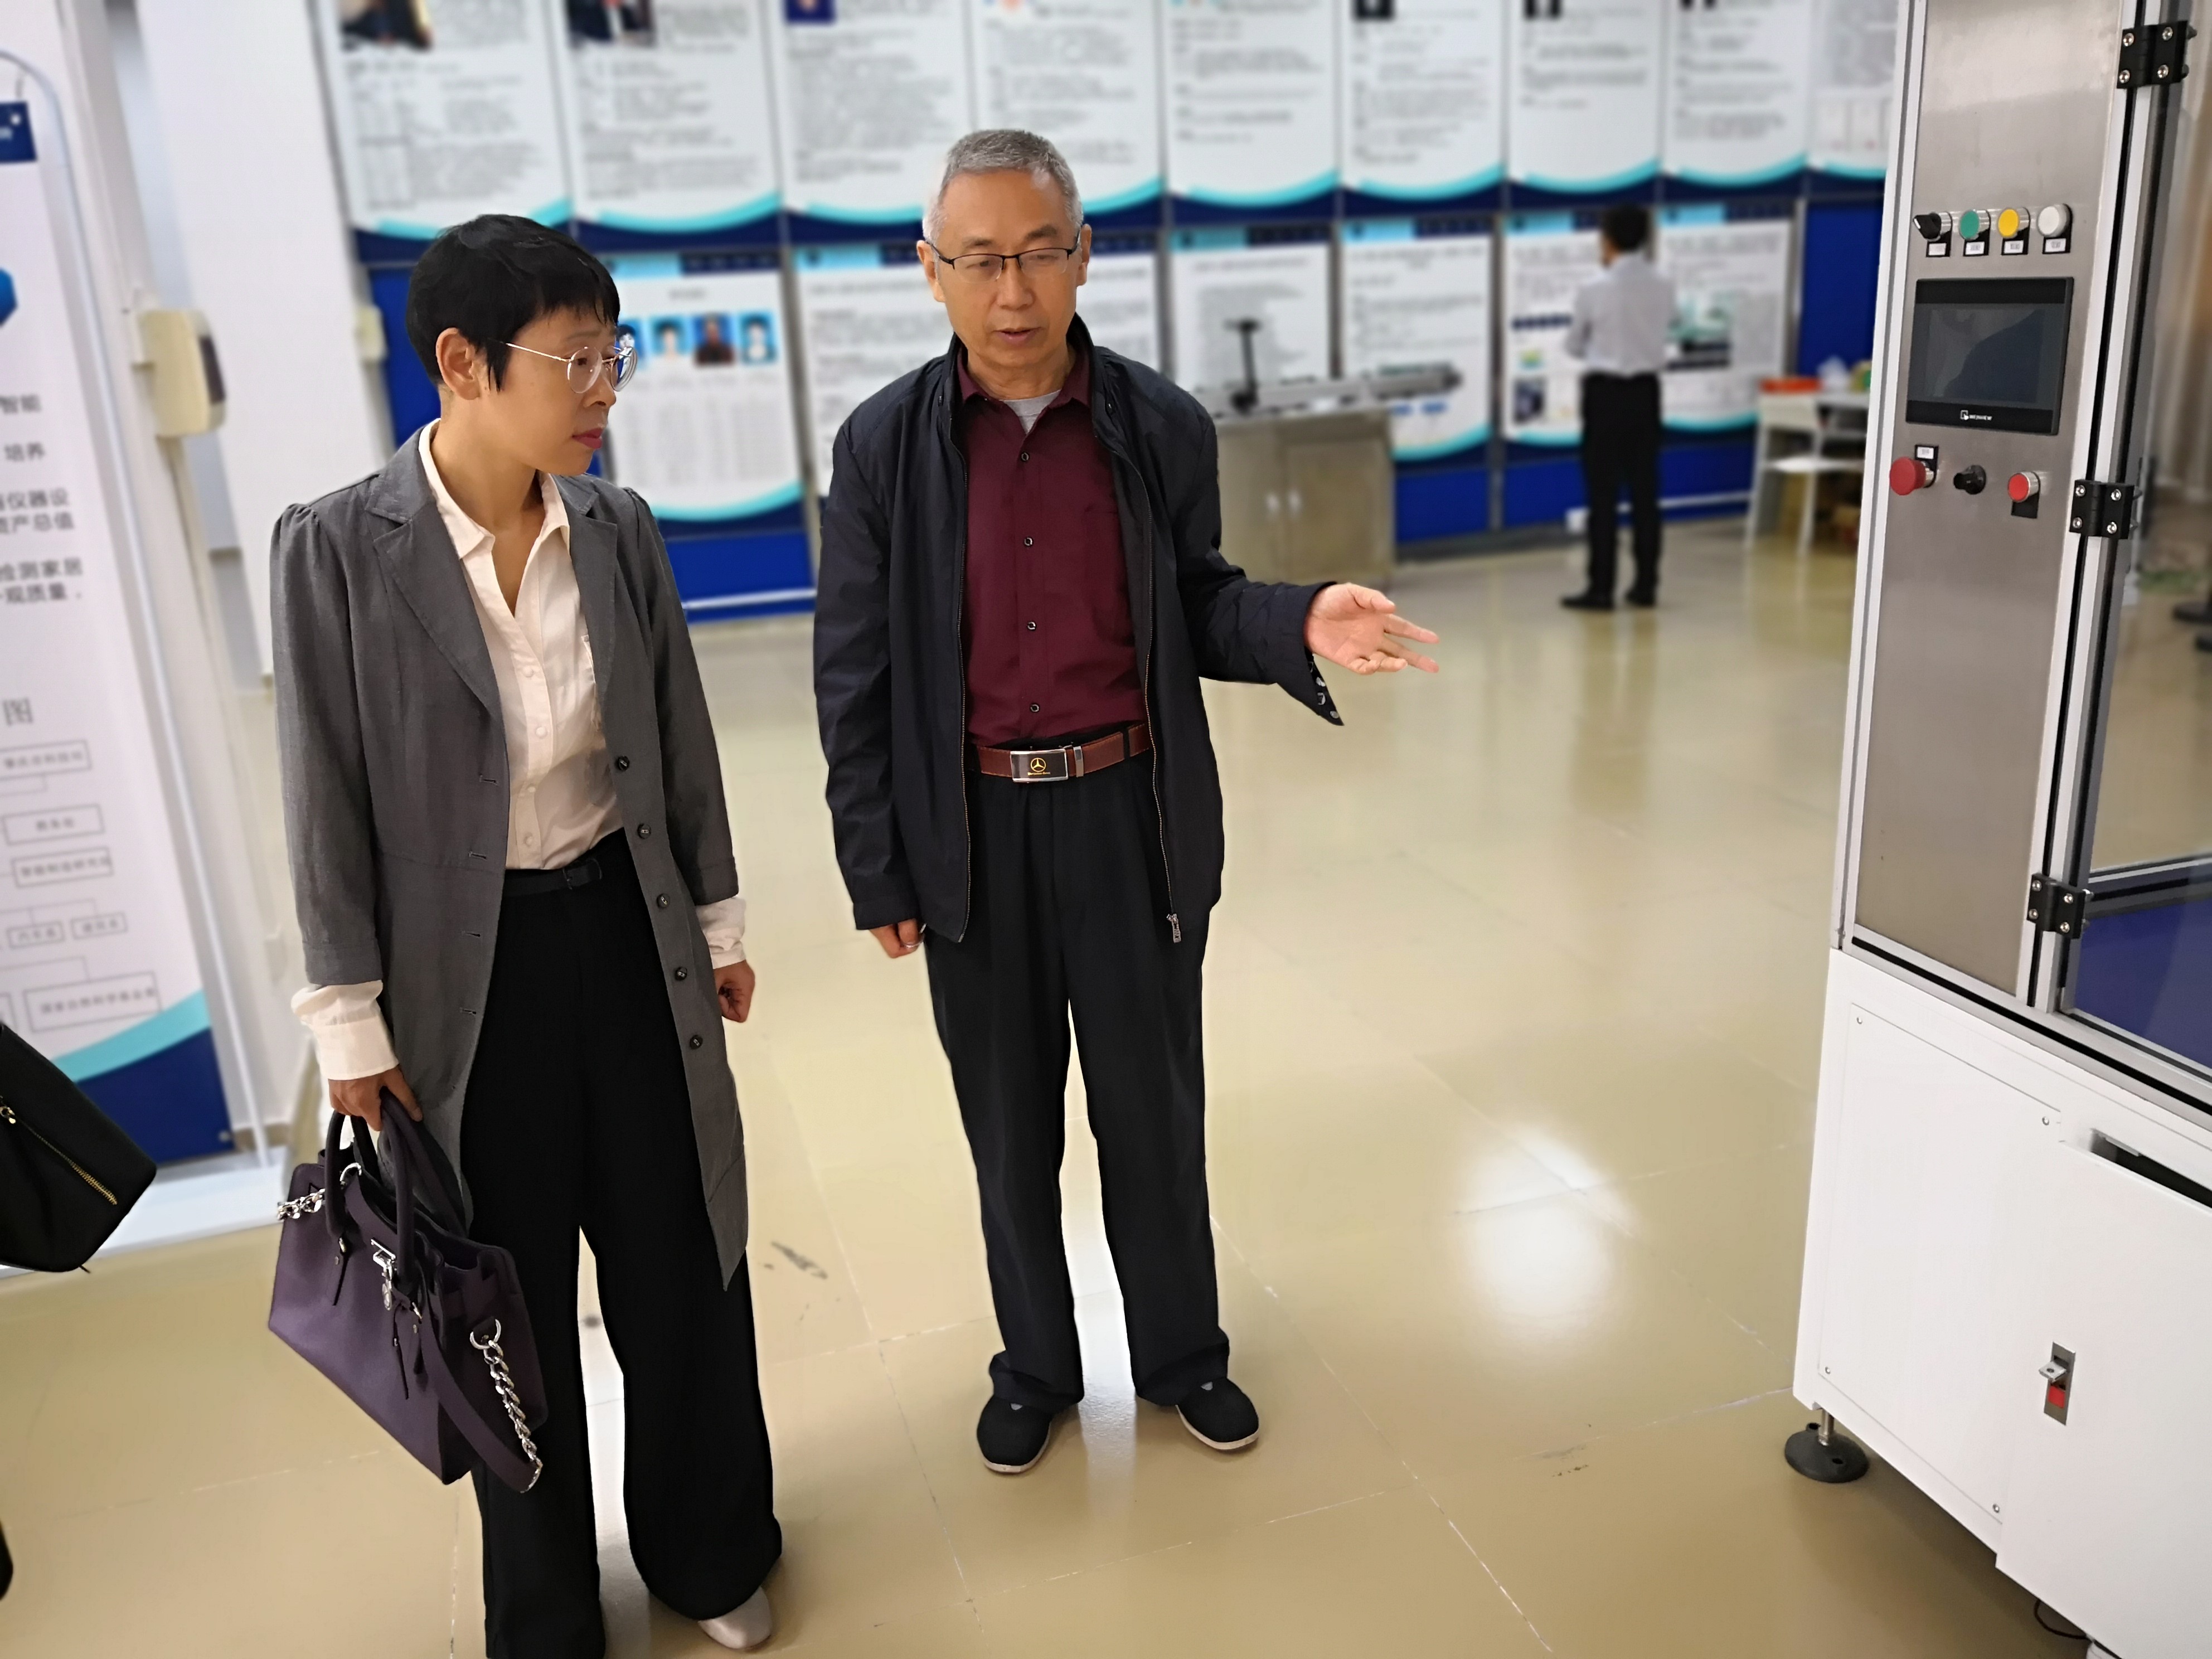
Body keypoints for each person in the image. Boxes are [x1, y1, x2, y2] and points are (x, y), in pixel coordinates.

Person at [813, 130, 1440, 1477]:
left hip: (1128, 819)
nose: (1013, 289)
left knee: (1152, 1116)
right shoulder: (882, 448)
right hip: (971, 832)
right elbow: (853, 671)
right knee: (1008, 1129)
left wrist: (1294, 618)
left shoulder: (1157, 426)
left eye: (1040, 252)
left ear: (1083, 255)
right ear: (930, 271)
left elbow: (1196, 602)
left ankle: (1181, 1355)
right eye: (980, 259)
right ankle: (1036, 1367)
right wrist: (879, 866)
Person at [270, 215, 779, 1659]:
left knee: (680, 1261)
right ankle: (546, 1608)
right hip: (464, 983)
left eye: (614, 358)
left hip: (624, 929)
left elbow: (678, 736)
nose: (604, 389)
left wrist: (717, 919)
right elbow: (320, 794)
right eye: (575, 361)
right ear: (462, 363)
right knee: (505, 1303)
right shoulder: (336, 548)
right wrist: (349, 1020)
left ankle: (707, 1550)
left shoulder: (615, 528)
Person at [1563, 202, 1675, 610]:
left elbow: (1574, 344)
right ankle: (1646, 585)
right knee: (1646, 493)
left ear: (1607, 240)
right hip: (1646, 393)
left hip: (1605, 396)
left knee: (1603, 495)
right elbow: (1669, 329)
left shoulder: (1595, 287)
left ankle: (1601, 587)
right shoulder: (1664, 284)